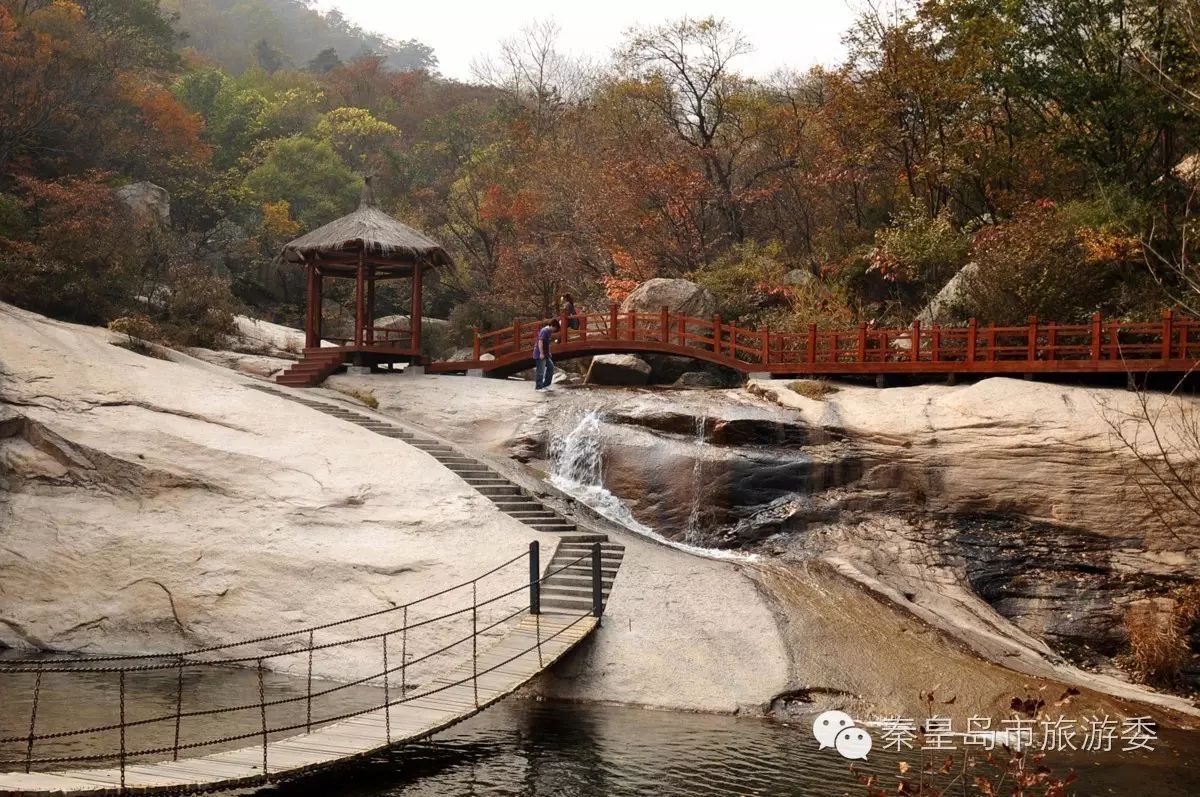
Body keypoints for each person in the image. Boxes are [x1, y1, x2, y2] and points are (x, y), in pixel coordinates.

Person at [533, 318, 560, 390]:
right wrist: (541, 353)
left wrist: (549, 352)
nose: (554, 330)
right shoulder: (544, 331)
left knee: (551, 367)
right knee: (540, 371)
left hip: (546, 354)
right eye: (555, 328)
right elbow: (540, 342)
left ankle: (545, 385)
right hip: (540, 354)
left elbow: (547, 343)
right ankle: (538, 387)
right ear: (552, 326)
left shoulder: (549, 331)